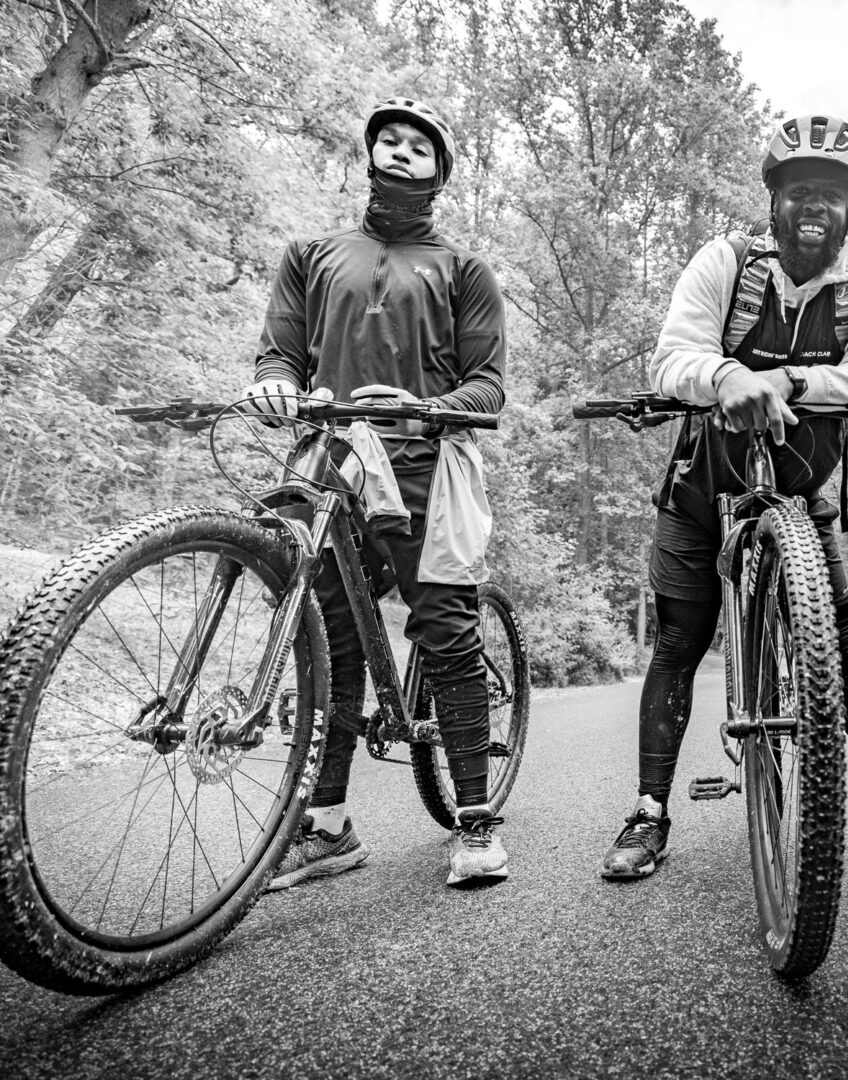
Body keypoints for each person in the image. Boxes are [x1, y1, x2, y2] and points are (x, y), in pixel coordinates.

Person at [601, 114, 848, 881]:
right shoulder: (725, 261)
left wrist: (787, 382)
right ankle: (648, 811)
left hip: (799, 493)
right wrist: (727, 378)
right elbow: (674, 356)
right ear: (774, 200)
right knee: (676, 646)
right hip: (703, 490)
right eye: (799, 192)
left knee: (840, 653)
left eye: (830, 195)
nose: (813, 208)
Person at [240, 96, 510, 887]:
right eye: (388, 140)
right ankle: (325, 827)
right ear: (370, 154)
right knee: (330, 638)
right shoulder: (310, 255)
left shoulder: (463, 270)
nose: (399, 152)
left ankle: (475, 820)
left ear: (439, 171)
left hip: (427, 463)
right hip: (330, 463)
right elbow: (279, 356)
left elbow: (488, 389)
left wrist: (430, 407)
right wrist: (273, 388)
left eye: (417, 147)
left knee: (443, 629)